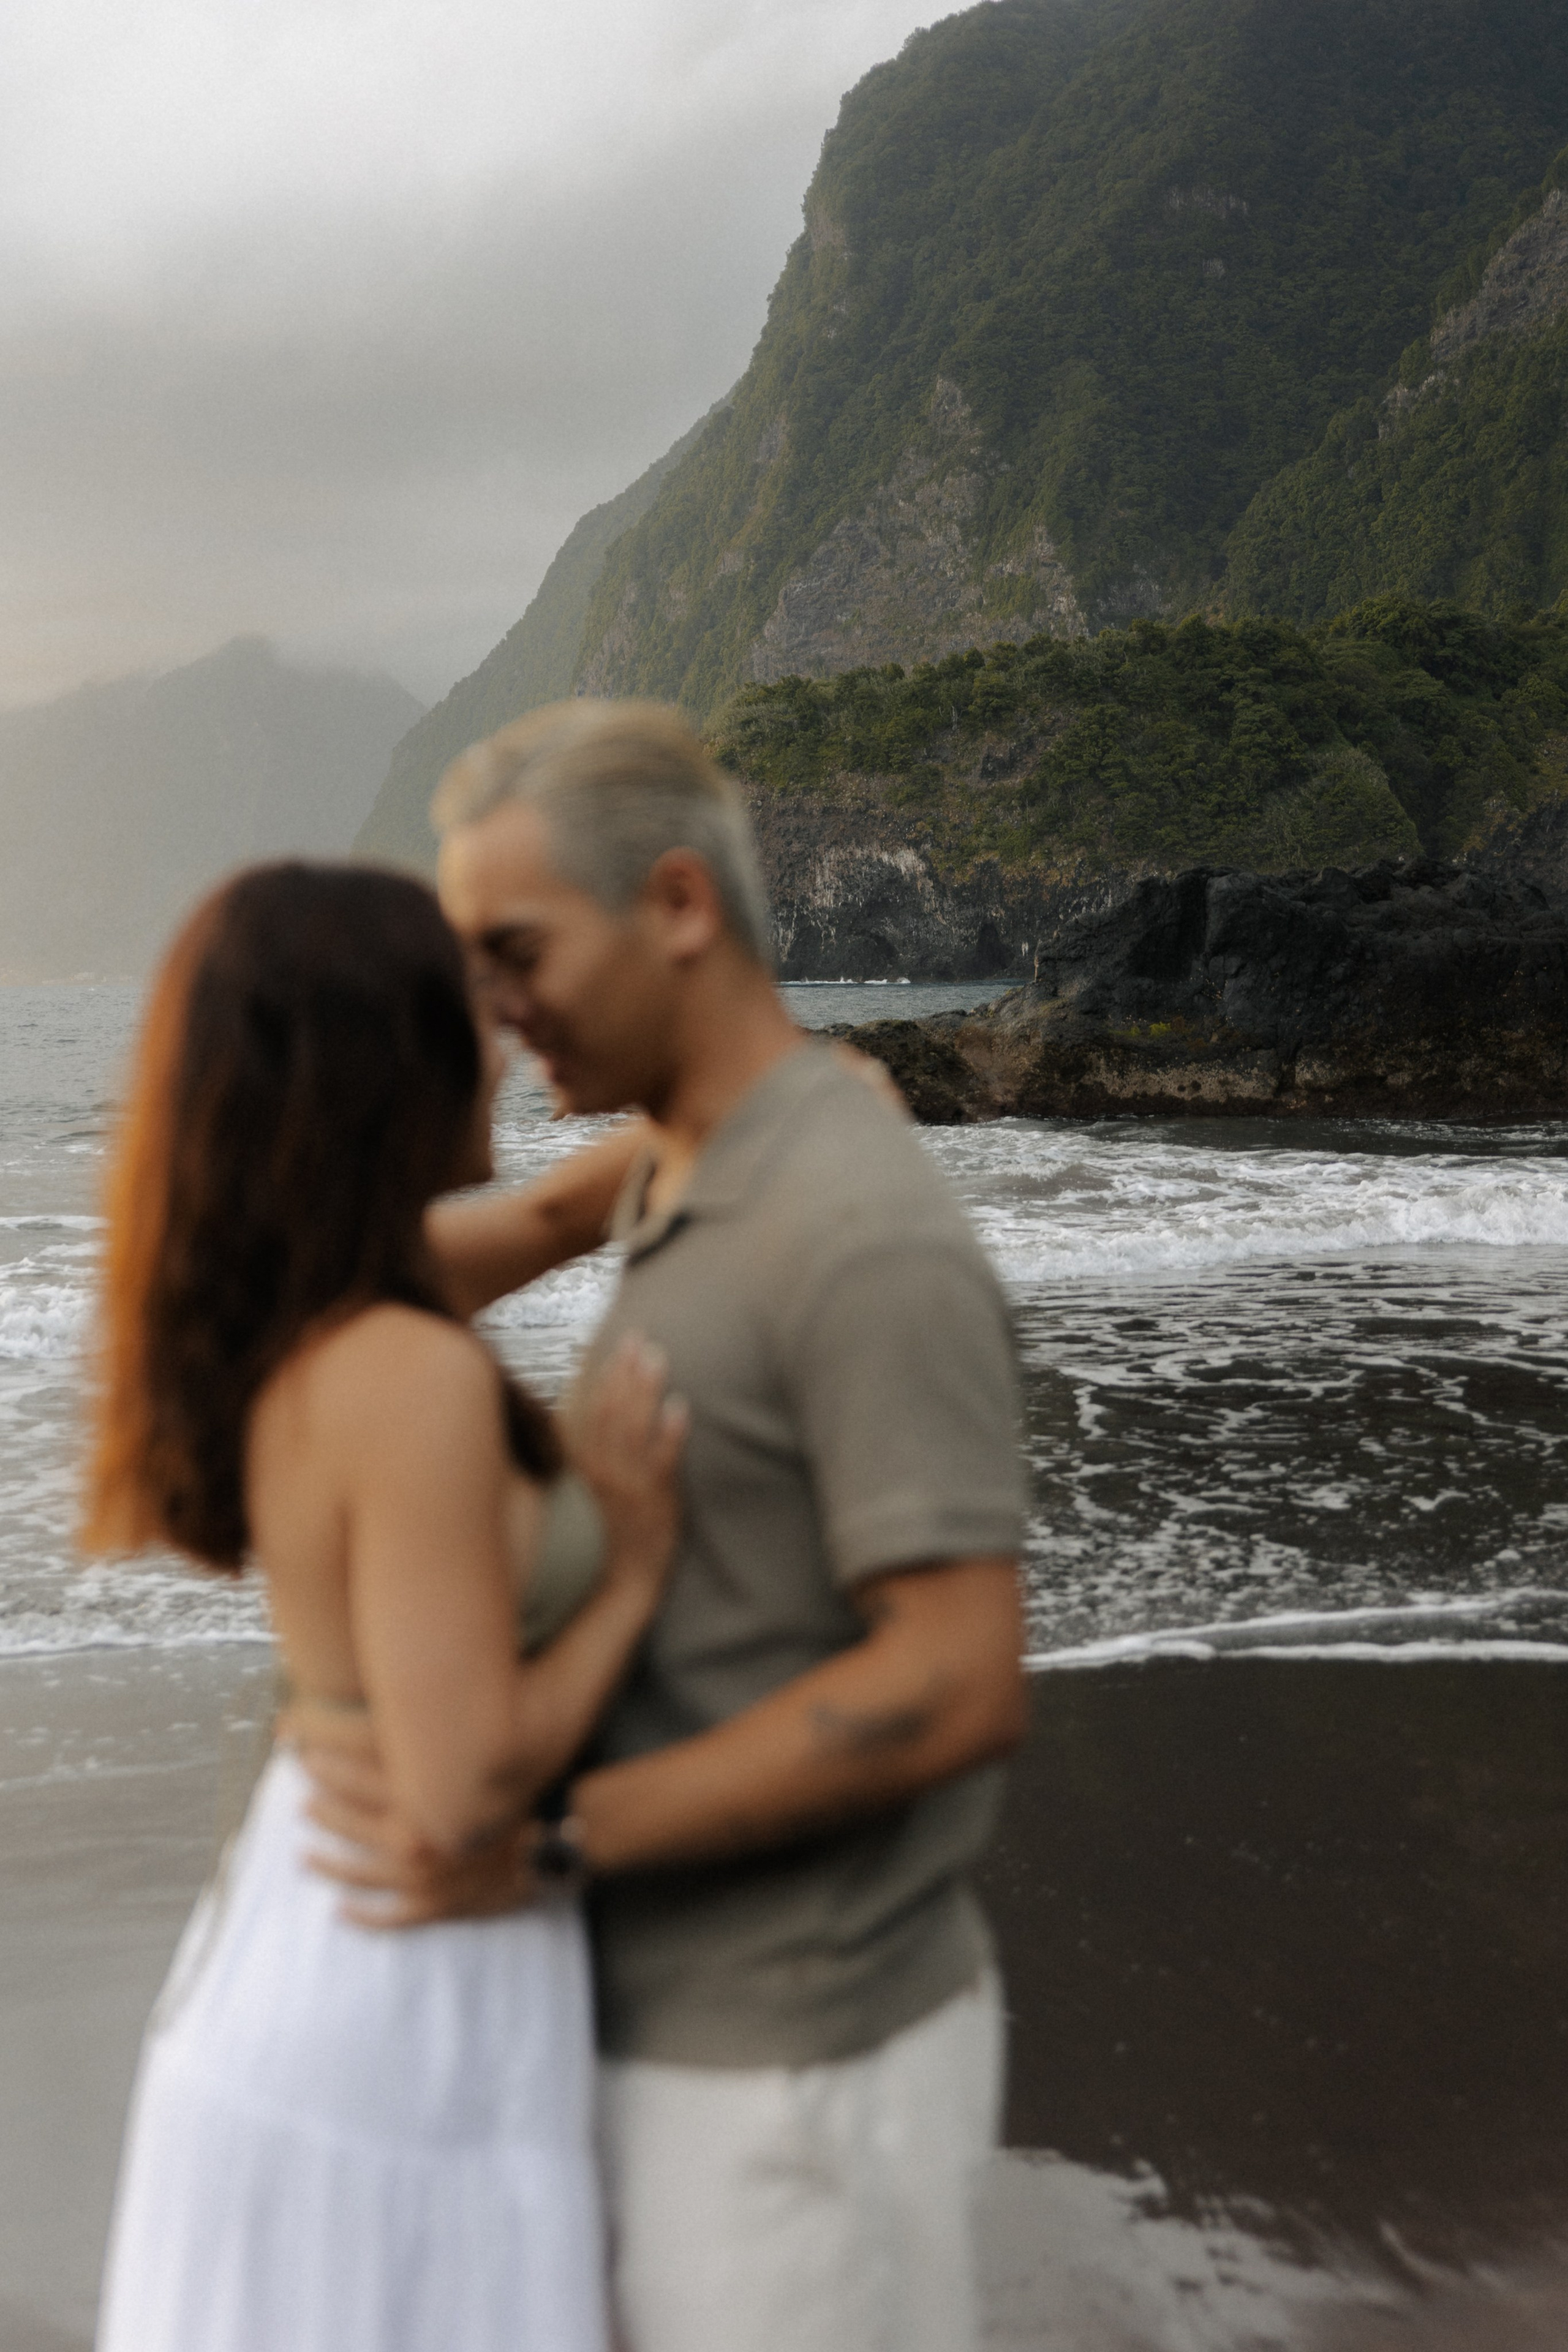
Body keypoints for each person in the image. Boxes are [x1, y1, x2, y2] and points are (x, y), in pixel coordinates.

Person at [296, 700, 1032, 2352]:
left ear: (680, 909)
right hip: (673, 2020)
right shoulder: (686, 1156)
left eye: (517, 950)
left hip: (800, 2061)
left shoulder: (855, 1233)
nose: (487, 1010)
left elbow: (959, 1676)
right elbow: (440, 1254)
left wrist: (546, 1845)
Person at [85, 862, 688, 2352]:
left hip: (325, 1943)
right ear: (387, 1059)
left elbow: (558, 1212)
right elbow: (466, 1787)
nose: (502, 1049)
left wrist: (770, 1095)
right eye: (467, 1016)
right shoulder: (398, 1371)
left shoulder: (319, 1305)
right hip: (392, 1989)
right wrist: (629, 1572)